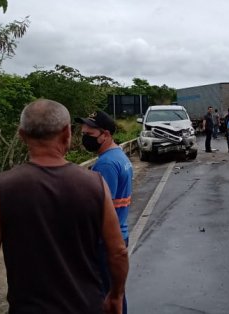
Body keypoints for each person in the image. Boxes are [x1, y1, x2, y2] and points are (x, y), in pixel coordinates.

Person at [0, 99, 128, 314]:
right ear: (67, 133)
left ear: (21, 135)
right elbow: (118, 252)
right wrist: (116, 296)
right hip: (87, 306)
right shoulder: (95, 184)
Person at [75, 110, 133, 314]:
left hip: (106, 241)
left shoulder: (106, 163)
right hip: (118, 235)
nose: (84, 139)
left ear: (105, 134)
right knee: (115, 295)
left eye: (89, 135)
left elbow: (97, 208)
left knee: (107, 297)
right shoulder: (119, 155)